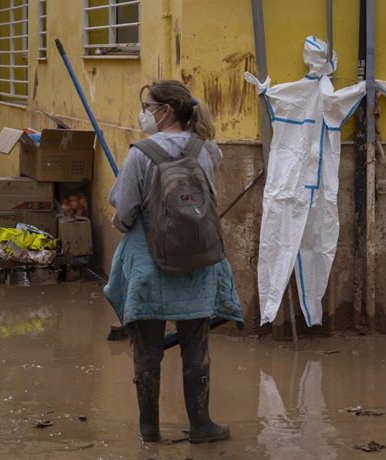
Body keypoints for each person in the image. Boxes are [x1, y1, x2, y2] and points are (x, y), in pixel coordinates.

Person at [103, 80, 244, 444]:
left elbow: (125, 212)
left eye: (148, 106)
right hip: (197, 264)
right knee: (195, 348)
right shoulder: (208, 150)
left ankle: (149, 431)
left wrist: (117, 217)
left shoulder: (140, 153)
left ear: (165, 111)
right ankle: (202, 426)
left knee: (147, 350)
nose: (144, 113)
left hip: (150, 267)